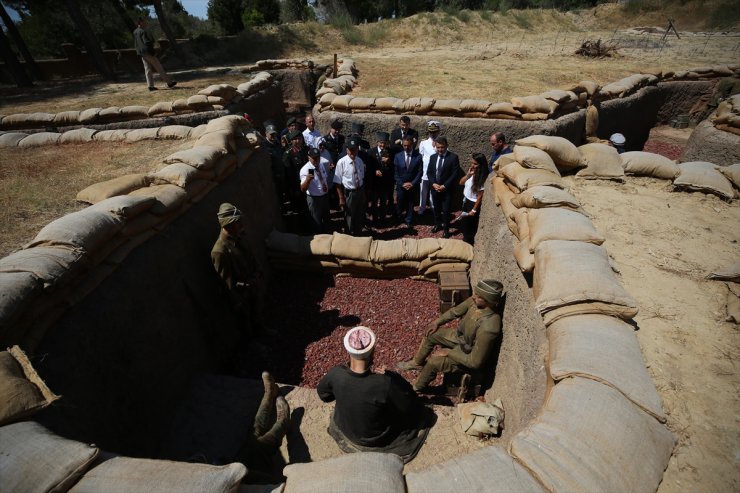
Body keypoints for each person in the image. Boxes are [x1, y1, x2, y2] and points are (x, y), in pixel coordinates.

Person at [317, 326, 432, 463]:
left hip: (347, 429)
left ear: (348, 351)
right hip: (375, 439)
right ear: (373, 351)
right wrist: (392, 376)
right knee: (420, 413)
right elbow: (409, 407)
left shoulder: (336, 374)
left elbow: (324, 395)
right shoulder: (384, 383)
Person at [397, 280, 503, 393]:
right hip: (460, 338)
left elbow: (475, 362)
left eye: (479, 296)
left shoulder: (489, 327)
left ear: (489, 302)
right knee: (431, 334)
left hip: (467, 353)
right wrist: (437, 322)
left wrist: (448, 352)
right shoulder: (475, 303)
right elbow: (454, 312)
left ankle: (416, 389)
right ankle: (417, 363)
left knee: (434, 362)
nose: (473, 297)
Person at [211, 203, 269, 337]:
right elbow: (226, 281)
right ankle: (251, 344)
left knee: (256, 310)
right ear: (227, 225)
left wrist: (258, 270)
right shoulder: (220, 251)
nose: (241, 224)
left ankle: (261, 329)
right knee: (244, 320)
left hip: (252, 285)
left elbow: (251, 255)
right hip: (241, 293)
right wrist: (236, 300)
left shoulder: (240, 236)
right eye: (237, 222)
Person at [236, 371, 290, 483]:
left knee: (253, 434)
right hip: (258, 482)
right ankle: (283, 423)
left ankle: (269, 394)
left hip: (238, 468)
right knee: (260, 446)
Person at [427, 136, 460, 238]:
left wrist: (444, 186)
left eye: (442, 147)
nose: (440, 150)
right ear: (435, 147)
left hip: (447, 190)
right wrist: (433, 183)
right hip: (435, 189)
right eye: (438, 147)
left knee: (446, 211)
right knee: (436, 209)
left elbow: (455, 174)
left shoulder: (453, 157)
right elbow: (429, 172)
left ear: (446, 146)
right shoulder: (433, 157)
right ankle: (437, 224)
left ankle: (446, 229)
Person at [334, 137, 366, 235]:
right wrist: (341, 198)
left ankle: (358, 233)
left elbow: (362, 178)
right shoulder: (341, 162)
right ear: (346, 149)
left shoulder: (360, 161)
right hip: (349, 193)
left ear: (358, 149)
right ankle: (348, 235)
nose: (352, 152)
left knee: (359, 214)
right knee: (349, 216)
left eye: (354, 149)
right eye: (350, 150)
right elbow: (337, 182)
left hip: (360, 190)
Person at [133, 18, 176, 91]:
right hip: (148, 52)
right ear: (140, 23)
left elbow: (136, 44)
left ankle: (150, 86)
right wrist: (153, 51)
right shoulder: (143, 31)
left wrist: (139, 52)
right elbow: (147, 42)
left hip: (142, 53)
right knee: (159, 67)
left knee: (147, 70)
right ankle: (169, 83)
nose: (146, 23)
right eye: (144, 22)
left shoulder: (135, 32)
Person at [457, 153, 488, 245]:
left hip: (472, 203)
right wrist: (468, 175)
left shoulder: (482, 178)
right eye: (472, 163)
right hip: (466, 201)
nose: (472, 165)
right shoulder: (472, 173)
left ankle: (469, 244)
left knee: (470, 226)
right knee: (465, 224)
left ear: (481, 165)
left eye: (475, 164)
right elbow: (461, 183)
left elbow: (480, 196)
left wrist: (474, 210)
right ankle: (466, 241)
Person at [299, 148, 331, 233]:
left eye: (318, 157)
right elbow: (302, 188)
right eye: (314, 158)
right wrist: (307, 180)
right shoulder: (306, 169)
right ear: (309, 157)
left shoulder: (320, 165)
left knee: (327, 218)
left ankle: (328, 235)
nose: (316, 160)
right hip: (314, 199)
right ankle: (319, 239)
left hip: (324, 197)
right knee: (316, 222)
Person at [394, 136, 423, 228]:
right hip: (401, 185)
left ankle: (409, 220)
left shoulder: (418, 156)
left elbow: (420, 172)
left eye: (408, 146)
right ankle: (397, 218)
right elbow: (395, 172)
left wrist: (412, 183)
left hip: (412, 185)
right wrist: (402, 183)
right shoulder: (398, 156)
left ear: (412, 145)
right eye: (404, 145)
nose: (406, 147)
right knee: (399, 202)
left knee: (410, 203)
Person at [369, 132, 393, 225]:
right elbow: (368, 166)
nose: (382, 145)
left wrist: (389, 162)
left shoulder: (390, 152)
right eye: (381, 143)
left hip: (385, 182)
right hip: (375, 182)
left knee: (383, 202)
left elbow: (393, 167)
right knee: (374, 202)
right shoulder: (371, 152)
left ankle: (382, 219)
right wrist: (374, 171)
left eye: (384, 143)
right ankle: (375, 220)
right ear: (377, 142)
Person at [418, 121, 441, 217]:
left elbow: (443, 154)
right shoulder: (423, 143)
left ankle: (433, 207)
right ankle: (422, 208)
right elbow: (420, 156)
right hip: (424, 171)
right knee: (423, 191)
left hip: (436, 172)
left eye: (435, 132)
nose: (433, 134)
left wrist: (436, 147)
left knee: (433, 191)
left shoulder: (441, 143)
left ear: (439, 131)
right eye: (431, 132)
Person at [283, 130, 308, 217]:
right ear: (291, 141)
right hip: (297, 185)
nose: (298, 141)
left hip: (307, 183)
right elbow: (289, 175)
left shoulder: (305, 150)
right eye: (295, 139)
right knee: (300, 209)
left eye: (299, 139)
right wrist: (294, 189)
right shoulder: (288, 154)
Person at [263, 123, 285, 209]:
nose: (273, 136)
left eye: (274, 134)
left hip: (281, 173)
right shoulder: (264, 146)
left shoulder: (277, 142)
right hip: (274, 177)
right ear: (266, 133)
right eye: (271, 134)